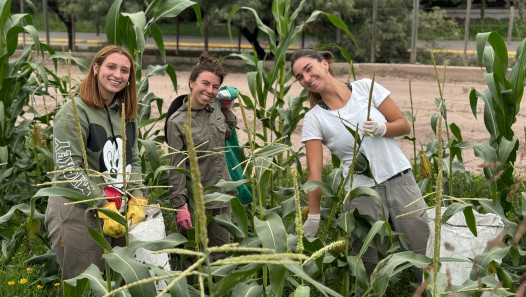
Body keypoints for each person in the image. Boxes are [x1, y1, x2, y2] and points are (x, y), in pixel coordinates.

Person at [291, 49, 429, 276]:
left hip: (400, 181)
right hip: (360, 193)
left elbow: (403, 125)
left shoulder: (366, 87)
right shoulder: (314, 119)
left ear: (324, 64)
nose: (306, 78)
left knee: (423, 254)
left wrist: (382, 128)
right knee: (368, 266)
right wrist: (314, 215)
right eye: (299, 77)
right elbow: (314, 171)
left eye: (308, 69)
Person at [45, 45, 148, 285]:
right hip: (79, 210)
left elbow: (132, 157)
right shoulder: (73, 113)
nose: (118, 75)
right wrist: (103, 204)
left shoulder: (124, 112)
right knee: (86, 284)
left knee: (120, 283)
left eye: (125, 70)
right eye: (111, 67)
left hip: (117, 208)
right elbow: (68, 169)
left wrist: (139, 196)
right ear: (95, 68)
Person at [166, 52, 237, 262]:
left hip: (223, 196)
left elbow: (227, 134)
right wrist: (180, 207)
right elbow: (176, 167)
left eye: (215, 87)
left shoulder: (215, 108)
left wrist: (227, 110)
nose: (210, 91)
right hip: (197, 202)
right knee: (194, 258)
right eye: (205, 84)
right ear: (191, 82)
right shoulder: (177, 122)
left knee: (221, 257)